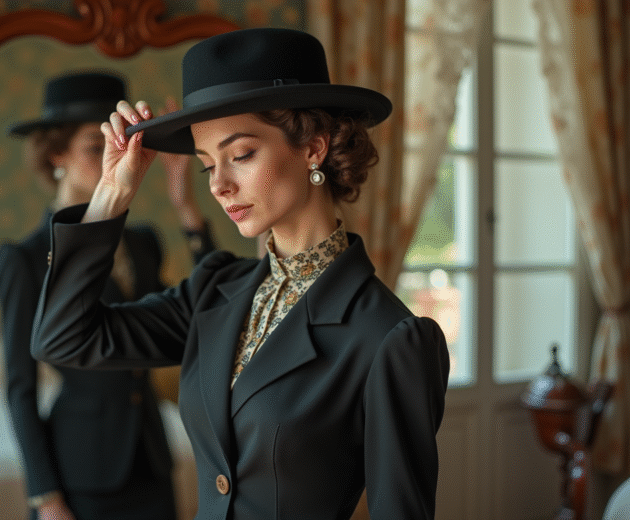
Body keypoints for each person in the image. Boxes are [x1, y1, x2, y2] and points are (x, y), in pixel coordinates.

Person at [31, 29, 450, 520]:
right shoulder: (214, 290)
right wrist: (110, 194)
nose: (220, 185)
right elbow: (63, 338)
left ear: (313, 147)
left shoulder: (390, 338)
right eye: (208, 166)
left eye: (242, 154)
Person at [0, 71, 215, 520]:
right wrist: (46, 496)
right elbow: (20, 388)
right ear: (56, 153)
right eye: (94, 148)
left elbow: (201, 315)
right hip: (81, 469)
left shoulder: (143, 242)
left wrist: (185, 207)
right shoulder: (26, 258)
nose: (111, 157)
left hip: (152, 457)